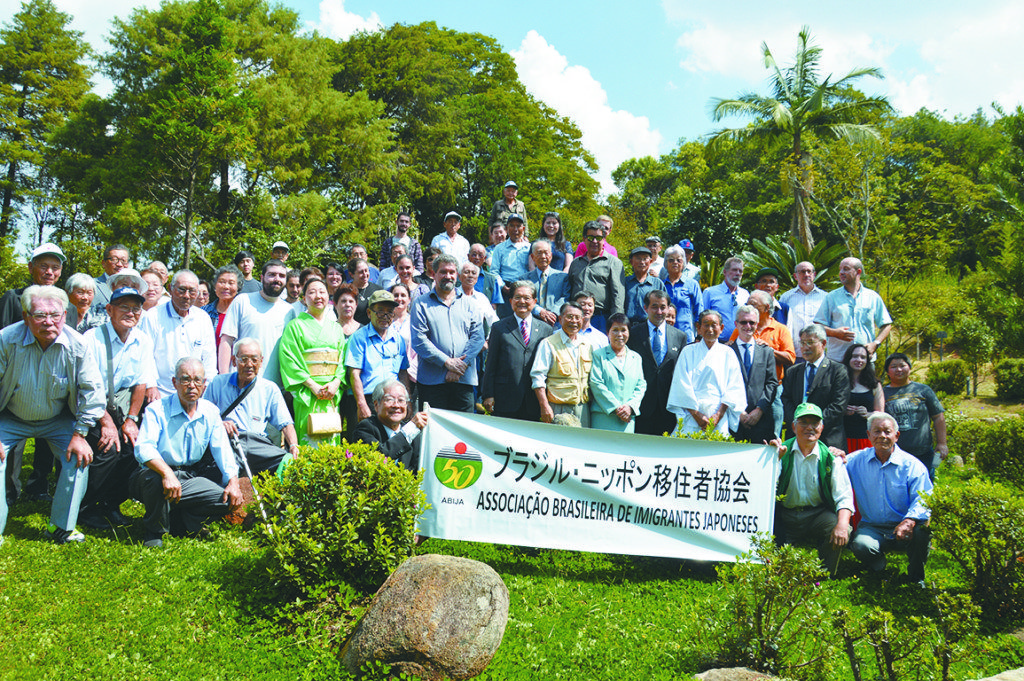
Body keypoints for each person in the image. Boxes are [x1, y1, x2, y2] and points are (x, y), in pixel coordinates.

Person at [0, 285, 104, 544]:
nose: (48, 322)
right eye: (39, 315)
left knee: (79, 458)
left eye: (55, 315)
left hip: (57, 419)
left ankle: (61, 527)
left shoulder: (77, 344)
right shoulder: (5, 339)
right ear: (25, 316)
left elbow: (93, 391)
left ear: (65, 315)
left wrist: (80, 434)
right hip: (9, 418)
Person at [130, 357, 242, 549]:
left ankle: (179, 521)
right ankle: (154, 531)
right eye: (185, 379)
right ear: (174, 383)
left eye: (197, 380)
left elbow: (222, 449)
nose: (192, 386)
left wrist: (233, 481)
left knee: (225, 499)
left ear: (204, 385)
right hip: (154, 474)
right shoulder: (156, 410)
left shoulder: (210, 412)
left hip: (189, 476)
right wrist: (166, 474)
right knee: (155, 482)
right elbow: (143, 448)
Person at [78, 284, 154, 529]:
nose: (130, 313)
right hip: (91, 406)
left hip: (122, 408)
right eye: (124, 307)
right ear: (109, 309)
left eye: (136, 309)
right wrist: (107, 423)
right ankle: (86, 507)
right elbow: (87, 387)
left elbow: (140, 384)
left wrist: (132, 420)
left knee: (135, 449)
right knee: (108, 449)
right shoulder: (92, 339)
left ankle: (111, 503)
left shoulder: (142, 340)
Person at [847, 412, 933, 584]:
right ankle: (880, 569)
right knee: (861, 545)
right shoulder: (856, 460)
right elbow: (835, 465)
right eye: (877, 432)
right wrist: (834, 454)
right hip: (872, 527)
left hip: (905, 526)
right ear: (869, 435)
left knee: (922, 533)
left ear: (897, 435)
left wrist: (909, 521)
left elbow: (924, 499)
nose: (882, 436)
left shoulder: (913, 466)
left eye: (887, 431)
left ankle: (916, 578)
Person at [772, 402, 854, 576]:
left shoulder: (831, 458)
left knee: (842, 526)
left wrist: (842, 524)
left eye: (815, 423)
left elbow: (844, 497)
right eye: (804, 422)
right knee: (775, 568)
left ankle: (824, 574)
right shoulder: (780, 452)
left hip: (817, 515)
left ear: (821, 428)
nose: (809, 427)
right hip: (785, 515)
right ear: (794, 427)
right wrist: (774, 459)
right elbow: (767, 488)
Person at [205, 338, 299, 476]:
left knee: (289, 462)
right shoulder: (218, 383)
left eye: (254, 359)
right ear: (233, 361)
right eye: (244, 359)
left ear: (261, 362)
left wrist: (293, 445)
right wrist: (220, 424)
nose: (249, 364)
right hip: (229, 441)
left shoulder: (269, 388)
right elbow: (203, 416)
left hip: (258, 443)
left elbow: (285, 423)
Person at [279, 277, 349, 446]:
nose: (318, 296)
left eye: (322, 291)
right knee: (308, 438)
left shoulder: (336, 328)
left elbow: (343, 360)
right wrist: (312, 385)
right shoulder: (294, 326)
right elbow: (289, 359)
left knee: (331, 437)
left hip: (331, 393)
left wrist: (336, 383)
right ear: (304, 299)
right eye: (312, 292)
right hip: (308, 393)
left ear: (328, 297)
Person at [410, 254, 484, 412]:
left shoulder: (471, 304)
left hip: (463, 380)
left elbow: (478, 338)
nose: (448, 276)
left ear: (457, 274)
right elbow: (419, 341)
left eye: (452, 272)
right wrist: (446, 362)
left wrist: (459, 366)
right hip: (432, 383)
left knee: (464, 433)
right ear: (434, 274)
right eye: (443, 272)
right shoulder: (420, 304)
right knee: (433, 432)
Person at [667, 309, 746, 437]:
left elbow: (734, 387)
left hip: (718, 415)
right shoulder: (688, 351)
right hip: (692, 414)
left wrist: (718, 415)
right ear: (698, 327)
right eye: (706, 324)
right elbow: (681, 384)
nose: (710, 329)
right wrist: (696, 415)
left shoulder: (728, 353)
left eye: (714, 325)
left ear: (721, 328)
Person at [482, 281, 553, 421]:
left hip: (533, 400)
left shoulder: (546, 329)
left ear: (534, 302)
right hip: (505, 398)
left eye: (527, 298)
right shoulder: (499, 328)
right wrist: (488, 394)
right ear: (510, 301)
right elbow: (491, 364)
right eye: (517, 297)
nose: (522, 301)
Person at [138, 270, 217, 396]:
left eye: (192, 291)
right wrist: (151, 386)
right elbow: (145, 356)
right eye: (182, 289)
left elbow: (209, 357)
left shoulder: (203, 318)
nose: (186, 295)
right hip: (160, 393)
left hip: (194, 393)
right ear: (170, 289)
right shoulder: (153, 316)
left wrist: (207, 385)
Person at [217, 259, 292, 384]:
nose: (277, 279)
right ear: (262, 278)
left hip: (275, 387)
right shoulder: (242, 301)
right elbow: (226, 341)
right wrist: (223, 379)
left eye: (282, 276)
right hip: (241, 383)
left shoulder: (289, 311)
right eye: (272, 274)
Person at [734, 290, 794, 436]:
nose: (749, 306)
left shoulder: (780, 329)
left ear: (767, 308)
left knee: (772, 431)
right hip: (740, 393)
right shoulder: (742, 328)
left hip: (771, 390)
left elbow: (791, 358)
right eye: (748, 303)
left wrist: (767, 349)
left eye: (754, 304)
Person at [781, 324, 850, 450]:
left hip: (828, 438)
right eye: (802, 343)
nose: (805, 347)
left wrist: (814, 425)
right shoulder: (793, 372)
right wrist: (798, 424)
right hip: (796, 438)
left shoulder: (837, 370)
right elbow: (786, 400)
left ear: (823, 344)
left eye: (810, 342)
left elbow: (838, 405)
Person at [346, 290, 410, 422]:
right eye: (380, 311)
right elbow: (354, 374)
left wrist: (406, 401)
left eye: (390, 312)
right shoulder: (358, 338)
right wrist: (361, 404)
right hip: (368, 399)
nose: (385, 316)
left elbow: (403, 372)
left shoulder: (398, 339)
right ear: (369, 313)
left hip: (393, 401)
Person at [628, 290, 686, 437]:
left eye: (663, 307)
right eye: (654, 306)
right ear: (645, 308)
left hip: (668, 407)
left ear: (668, 308)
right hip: (642, 404)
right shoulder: (633, 334)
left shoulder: (680, 336)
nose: (659, 311)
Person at [815, 257, 893, 362]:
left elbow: (886, 324)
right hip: (838, 359)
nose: (841, 272)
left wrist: (875, 344)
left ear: (858, 272)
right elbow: (818, 326)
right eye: (840, 269)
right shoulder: (831, 297)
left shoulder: (872, 297)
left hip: (865, 359)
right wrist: (835, 333)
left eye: (846, 269)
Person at [882, 353, 947, 477]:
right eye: (894, 366)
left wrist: (942, 443)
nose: (899, 369)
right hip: (894, 452)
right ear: (888, 372)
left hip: (923, 452)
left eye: (902, 365)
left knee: (924, 490)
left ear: (909, 368)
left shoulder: (923, 390)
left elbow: (938, 417)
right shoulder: (883, 393)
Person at [531, 302, 592, 426]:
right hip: (557, 408)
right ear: (560, 318)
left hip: (582, 408)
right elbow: (538, 378)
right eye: (569, 317)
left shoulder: (587, 344)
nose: (573, 321)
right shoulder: (548, 343)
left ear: (582, 319)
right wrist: (544, 406)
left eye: (577, 317)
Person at [353, 380, 428, 472]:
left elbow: (418, 470)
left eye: (401, 400)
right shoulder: (365, 428)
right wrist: (410, 429)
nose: (396, 405)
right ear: (376, 405)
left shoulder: (414, 434)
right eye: (389, 400)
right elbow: (379, 459)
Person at [729, 305, 778, 444]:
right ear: (736, 324)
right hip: (734, 420)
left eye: (752, 322)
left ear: (757, 324)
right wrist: (739, 412)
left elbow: (772, 383)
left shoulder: (766, 351)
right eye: (743, 322)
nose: (748, 326)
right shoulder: (726, 351)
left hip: (762, 421)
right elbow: (722, 385)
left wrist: (759, 409)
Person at [589, 313, 646, 432]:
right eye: (615, 330)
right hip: (604, 416)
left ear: (629, 332)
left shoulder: (636, 358)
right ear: (607, 333)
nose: (619, 334)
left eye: (623, 330)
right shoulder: (599, 355)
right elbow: (596, 383)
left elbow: (641, 385)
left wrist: (630, 407)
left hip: (628, 418)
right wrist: (617, 408)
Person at [568, 221, 625, 332]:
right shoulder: (575, 263)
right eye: (590, 237)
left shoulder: (613, 263)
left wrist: (617, 322)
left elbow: (618, 295)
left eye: (598, 238)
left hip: (601, 317)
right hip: (576, 317)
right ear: (584, 239)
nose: (594, 241)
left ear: (603, 240)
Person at [779, 261, 827, 362]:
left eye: (809, 271)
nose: (806, 275)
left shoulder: (826, 297)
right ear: (795, 276)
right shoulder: (786, 298)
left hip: (819, 355)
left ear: (814, 274)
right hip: (795, 354)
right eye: (802, 272)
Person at [843, 343, 885, 453]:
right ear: (848, 358)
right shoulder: (839, 382)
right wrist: (843, 410)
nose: (859, 360)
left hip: (866, 438)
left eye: (863, 357)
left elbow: (881, 413)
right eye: (855, 356)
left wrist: (868, 414)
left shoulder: (875, 384)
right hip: (843, 437)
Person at [661, 244, 703, 343]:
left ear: (683, 263)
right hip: (665, 334)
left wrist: (700, 335)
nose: (675, 263)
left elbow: (699, 310)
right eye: (671, 260)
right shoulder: (661, 285)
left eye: (678, 260)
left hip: (686, 335)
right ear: (666, 264)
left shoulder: (692, 284)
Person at [490, 213, 531, 314]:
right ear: (507, 228)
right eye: (512, 226)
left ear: (523, 228)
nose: (515, 229)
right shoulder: (499, 248)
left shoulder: (530, 248)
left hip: (525, 288)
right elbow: (494, 271)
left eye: (518, 226)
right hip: (506, 289)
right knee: (505, 323)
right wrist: (504, 287)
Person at [702, 257, 748, 343]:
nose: (737, 273)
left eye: (740, 271)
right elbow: (702, 318)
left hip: (739, 343)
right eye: (734, 270)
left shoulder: (745, 294)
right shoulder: (710, 292)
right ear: (724, 272)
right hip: (716, 342)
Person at [526, 240, 568, 326]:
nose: (543, 256)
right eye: (539, 253)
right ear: (532, 257)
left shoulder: (562, 277)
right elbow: (525, 299)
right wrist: (540, 311)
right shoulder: (525, 279)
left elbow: (565, 297)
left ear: (551, 255)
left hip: (556, 322)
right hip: (532, 322)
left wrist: (552, 314)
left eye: (546, 253)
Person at [203, 264, 242, 349]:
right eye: (222, 282)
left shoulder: (243, 314)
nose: (226, 287)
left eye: (231, 283)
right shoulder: (203, 312)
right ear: (215, 285)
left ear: (238, 287)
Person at [624, 246, 666, 326]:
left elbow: (665, 306)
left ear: (650, 261)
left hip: (649, 327)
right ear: (631, 262)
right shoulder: (625, 282)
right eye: (638, 258)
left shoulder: (657, 284)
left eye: (645, 258)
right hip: (628, 327)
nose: (642, 262)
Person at [349, 257, 384, 326]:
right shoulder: (347, 291)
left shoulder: (378, 290)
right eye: (361, 272)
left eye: (366, 270)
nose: (365, 274)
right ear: (352, 274)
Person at [467, 244, 502, 309]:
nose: (477, 257)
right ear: (468, 256)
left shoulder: (492, 279)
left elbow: (494, 305)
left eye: (480, 255)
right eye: (474, 255)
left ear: (484, 258)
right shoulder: (459, 277)